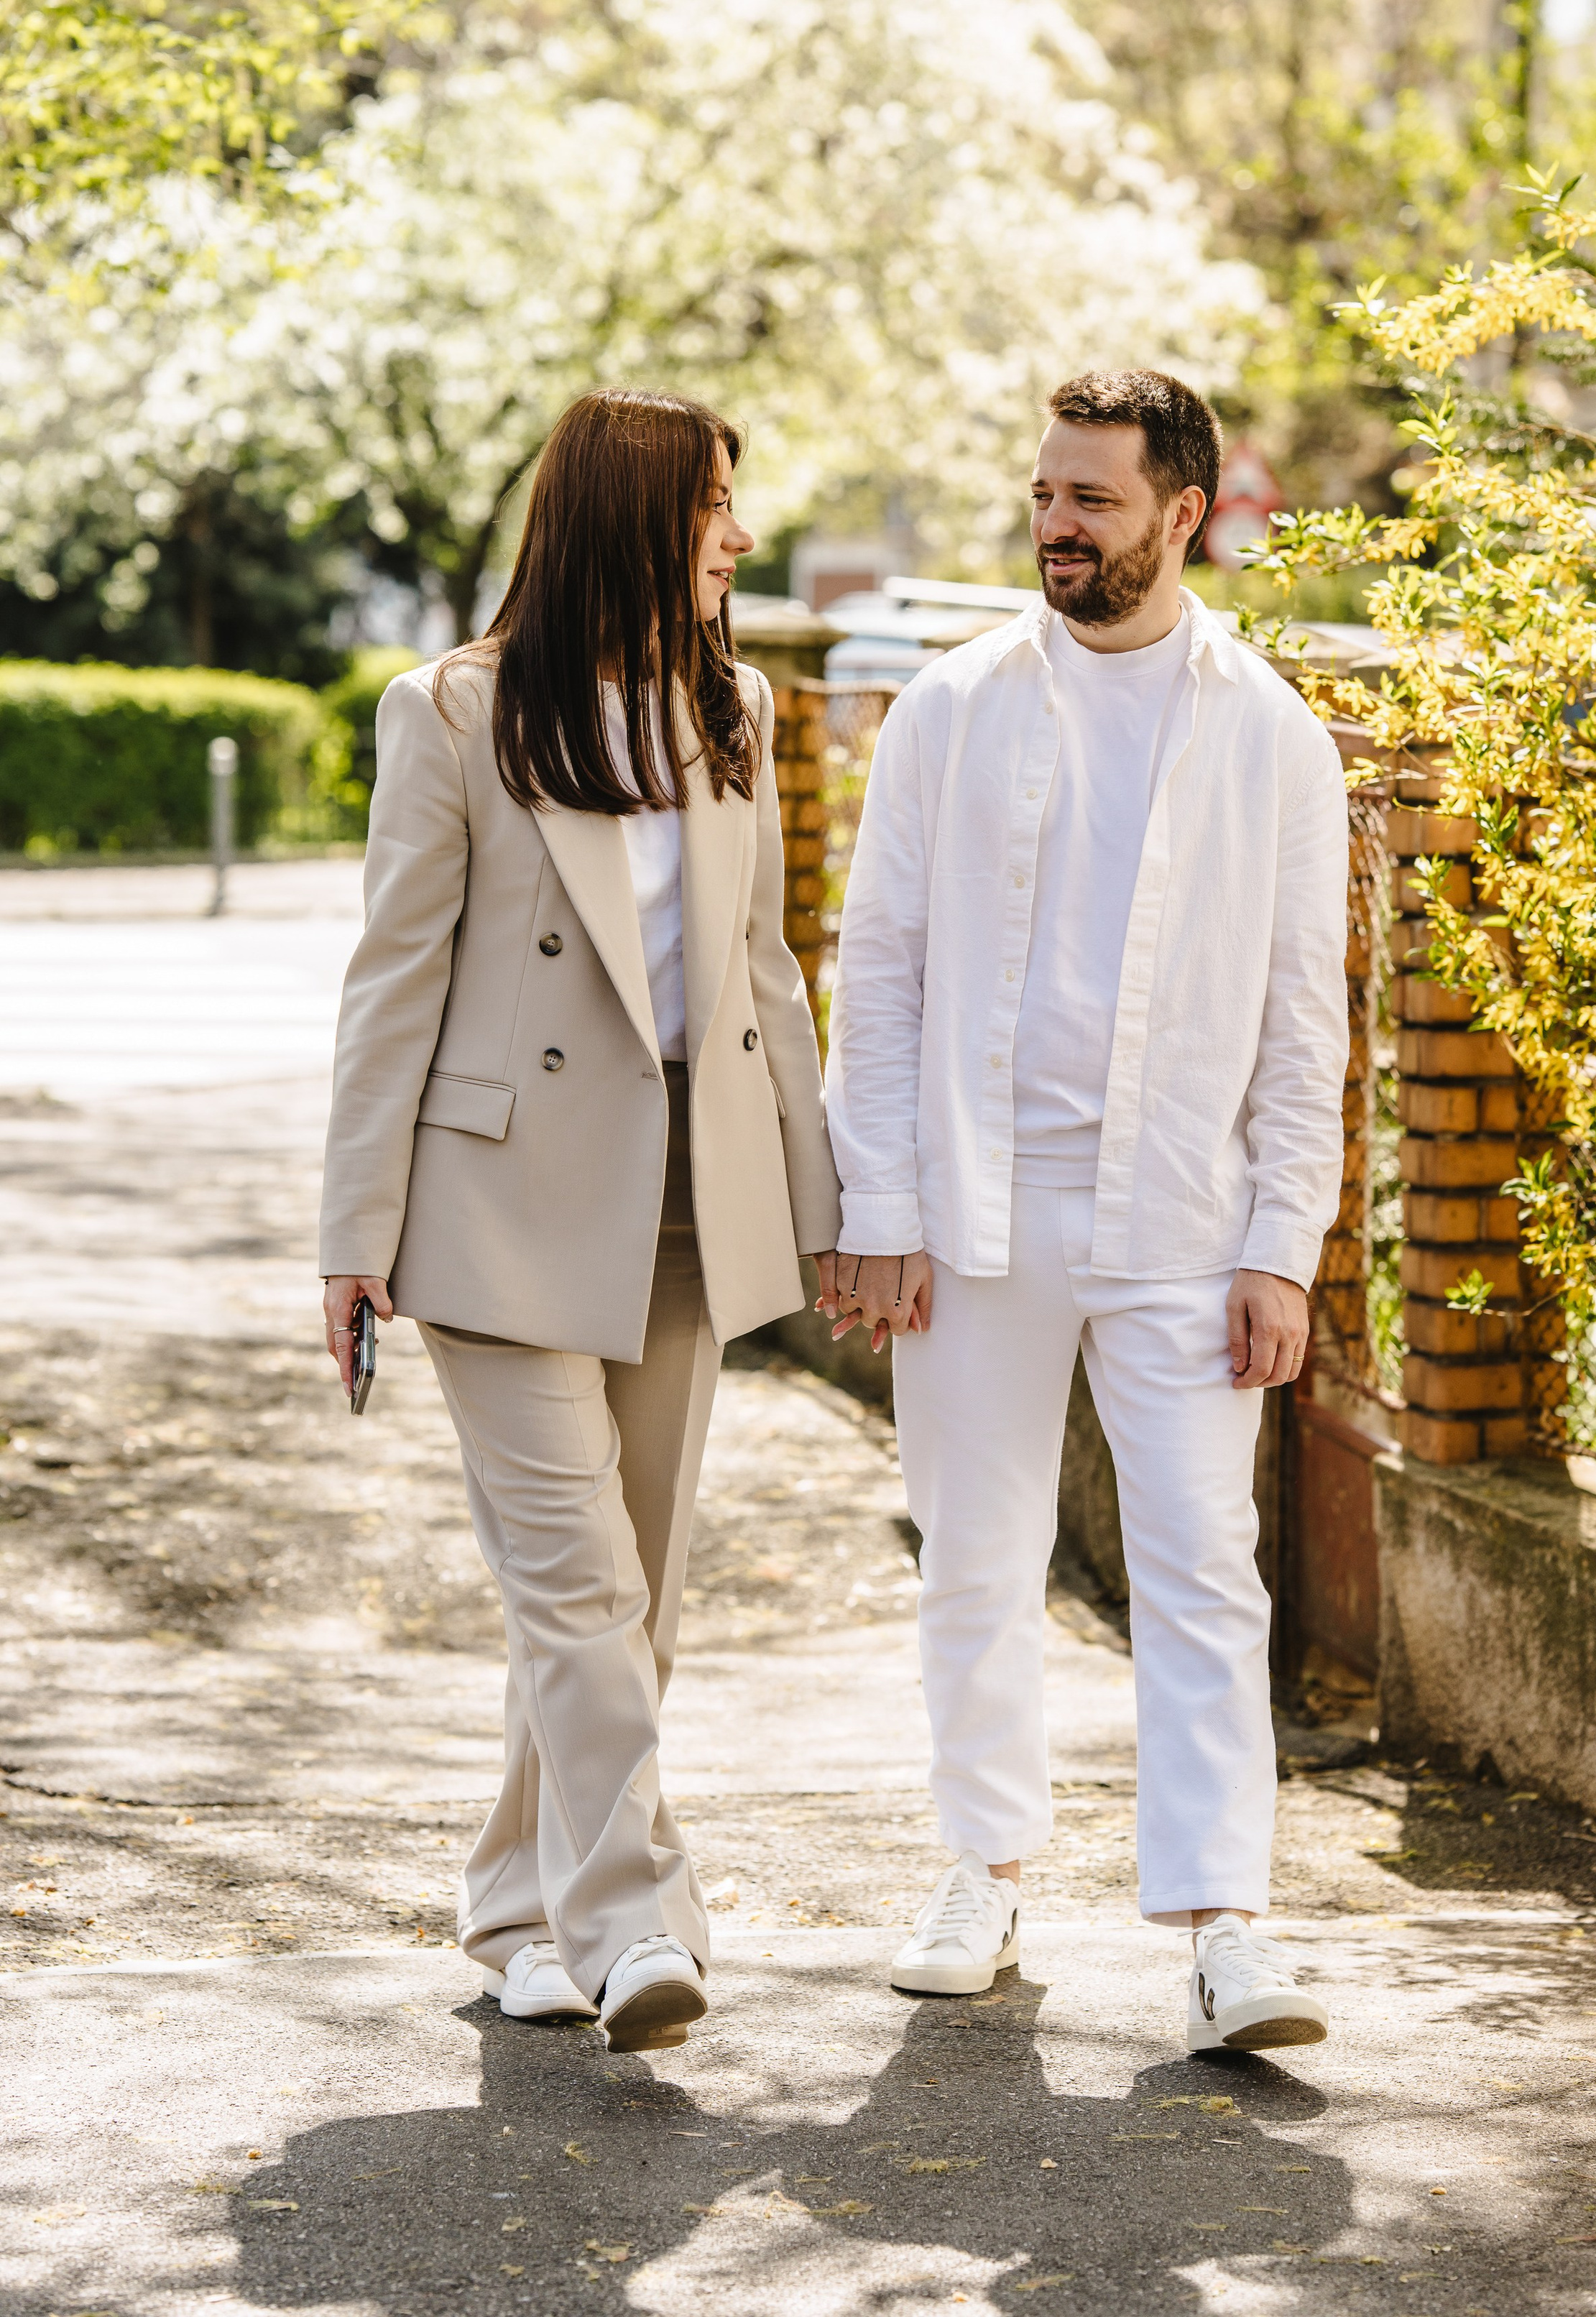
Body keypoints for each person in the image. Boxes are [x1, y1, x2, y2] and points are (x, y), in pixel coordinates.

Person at [825, 369, 1348, 2055]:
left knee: (1202, 1567)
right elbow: (879, 971)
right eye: (1045, 495)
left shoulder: (1267, 729)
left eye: (1092, 502)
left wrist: (1283, 1245)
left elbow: (1301, 1018)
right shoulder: (951, 707)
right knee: (970, 1558)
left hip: (1184, 1224)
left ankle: (1224, 1927)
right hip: (972, 1217)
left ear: (1181, 514)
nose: (1054, 526)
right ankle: (979, 1867)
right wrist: (878, 1200)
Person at [319, 388, 840, 2053]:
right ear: (633, 514)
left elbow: (764, 974)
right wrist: (352, 1232)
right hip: (496, 1211)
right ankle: (636, 1925)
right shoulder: (456, 712)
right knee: (577, 1590)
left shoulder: (733, 707)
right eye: (714, 506)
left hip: (689, 1203)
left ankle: (516, 1910)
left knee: (632, 1601)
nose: (738, 538)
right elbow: (391, 985)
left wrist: (818, 1202)